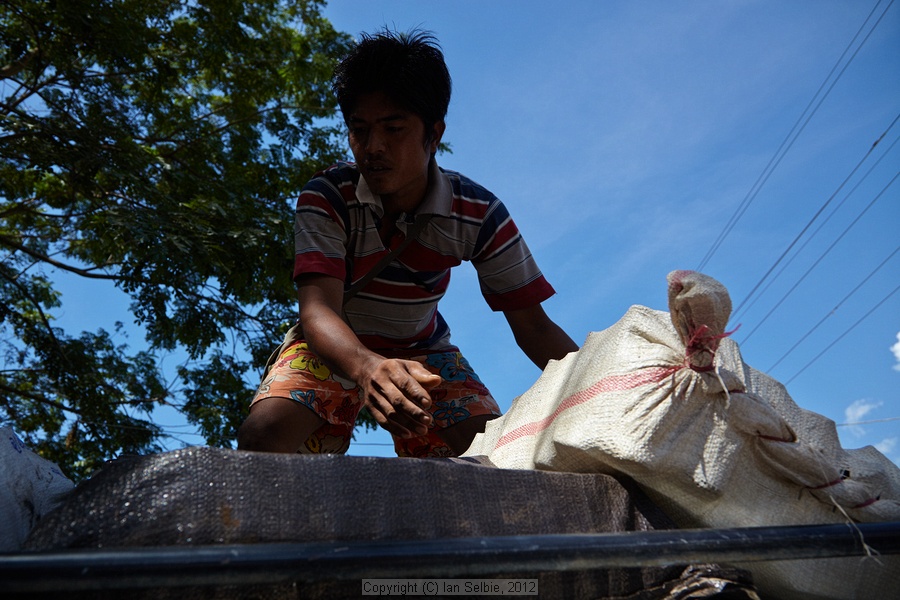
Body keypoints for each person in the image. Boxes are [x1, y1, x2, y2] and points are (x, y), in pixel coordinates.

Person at [237, 29, 578, 457]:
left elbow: (535, 328)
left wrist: (600, 384)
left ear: (433, 134)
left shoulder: (479, 213)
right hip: (332, 343)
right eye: (358, 130)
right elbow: (318, 310)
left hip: (425, 350)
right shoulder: (327, 196)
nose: (373, 147)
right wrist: (367, 367)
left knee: (491, 456)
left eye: (393, 128)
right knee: (264, 438)